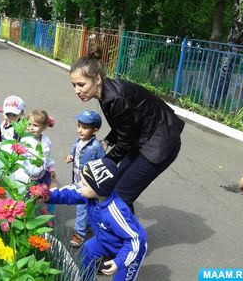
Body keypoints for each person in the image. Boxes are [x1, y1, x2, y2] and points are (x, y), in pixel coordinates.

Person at [70, 47, 185, 213]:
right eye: (74, 85)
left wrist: (102, 164)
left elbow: (125, 141)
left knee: (121, 195)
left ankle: (129, 238)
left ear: (97, 79)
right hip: (142, 139)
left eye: (81, 85)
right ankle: (119, 234)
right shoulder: (106, 93)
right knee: (113, 187)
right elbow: (125, 124)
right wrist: (108, 141)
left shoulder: (114, 97)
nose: (77, 91)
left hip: (160, 144)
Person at [46, 158, 147, 281]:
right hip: (106, 240)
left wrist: (119, 261)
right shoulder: (92, 195)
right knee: (87, 251)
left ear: (98, 189)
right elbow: (70, 193)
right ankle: (85, 278)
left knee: (121, 278)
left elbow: (136, 239)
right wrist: (48, 196)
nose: (79, 186)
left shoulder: (114, 212)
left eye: (84, 184)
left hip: (129, 249)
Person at [65, 110, 106, 248]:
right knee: (88, 206)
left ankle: (79, 234)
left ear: (95, 130)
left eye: (85, 127)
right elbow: (74, 150)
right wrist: (70, 156)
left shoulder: (95, 146)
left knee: (81, 207)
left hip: (87, 183)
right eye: (79, 126)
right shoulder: (79, 141)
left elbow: (102, 161)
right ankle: (88, 225)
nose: (80, 130)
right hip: (77, 179)